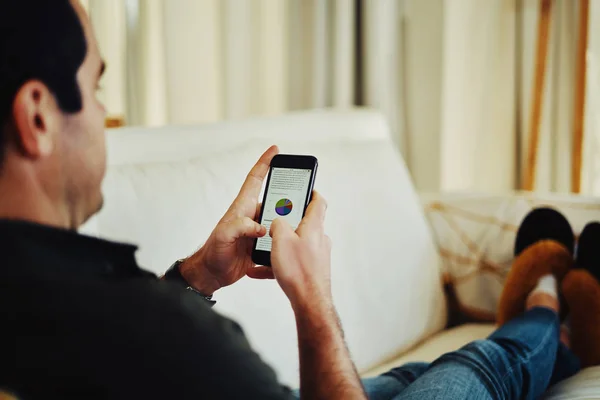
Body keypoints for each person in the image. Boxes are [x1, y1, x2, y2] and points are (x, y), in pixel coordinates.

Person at [1, 1, 599, 399]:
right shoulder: (160, 335)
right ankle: (551, 312)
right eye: (96, 86)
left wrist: (198, 274)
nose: (105, 115)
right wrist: (313, 302)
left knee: (414, 376)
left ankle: (554, 323)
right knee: (480, 367)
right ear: (37, 116)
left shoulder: (44, 303)